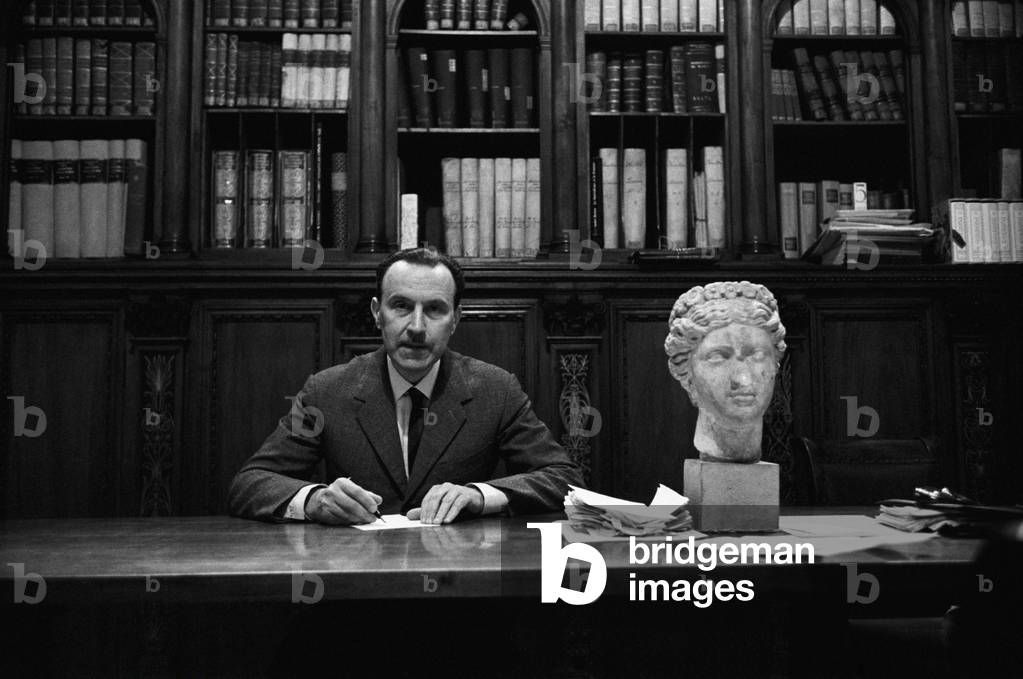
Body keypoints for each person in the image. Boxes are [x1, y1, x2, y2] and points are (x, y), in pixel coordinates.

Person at [229, 247, 582, 524]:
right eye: (401, 306)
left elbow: (566, 481)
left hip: (463, 589)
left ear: (455, 319)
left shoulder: (496, 390)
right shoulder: (327, 391)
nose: (416, 326)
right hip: (354, 591)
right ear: (376, 312)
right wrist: (314, 500)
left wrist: (480, 495)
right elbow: (250, 483)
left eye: (434, 309)